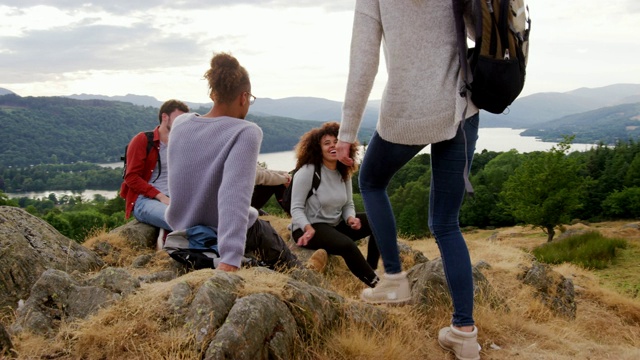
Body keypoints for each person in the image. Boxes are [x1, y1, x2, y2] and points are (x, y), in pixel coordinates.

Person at [336, 1, 481, 359]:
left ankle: (395, 280)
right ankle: (465, 333)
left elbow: (363, 65)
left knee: (370, 180)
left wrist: (347, 132)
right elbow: (481, 33)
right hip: (462, 107)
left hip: (409, 111)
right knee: (447, 224)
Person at [165, 52, 327, 273]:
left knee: (258, 217)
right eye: (250, 99)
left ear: (214, 94)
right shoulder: (246, 132)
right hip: (217, 229)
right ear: (243, 97)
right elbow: (234, 195)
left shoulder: (182, 123)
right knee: (262, 228)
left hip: (184, 229)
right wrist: (230, 258)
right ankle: (303, 273)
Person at [290, 121, 380, 288]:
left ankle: (372, 267)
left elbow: (347, 203)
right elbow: (296, 208)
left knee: (379, 223)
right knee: (347, 245)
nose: (332, 146)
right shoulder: (308, 170)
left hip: (335, 224)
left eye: (336, 142)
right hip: (309, 228)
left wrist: (350, 218)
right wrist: (307, 227)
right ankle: (375, 285)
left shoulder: (343, 170)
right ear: (318, 148)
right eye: (326, 143)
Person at [119, 99, 189, 249]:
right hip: (146, 200)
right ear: (165, 117)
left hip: (175, 197)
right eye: (178, 119)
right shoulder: (143, 140)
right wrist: (161, 196)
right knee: (179, 218)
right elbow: (131, 177)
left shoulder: (182, 144)